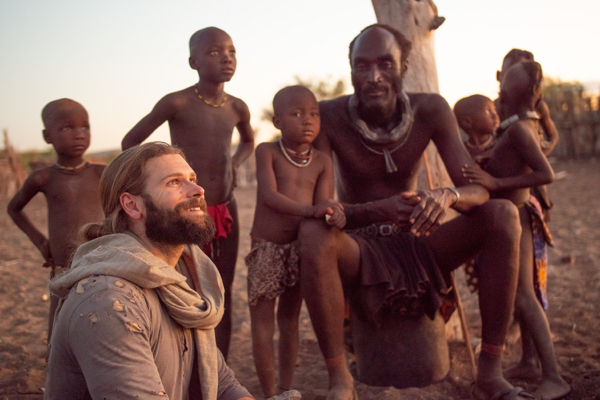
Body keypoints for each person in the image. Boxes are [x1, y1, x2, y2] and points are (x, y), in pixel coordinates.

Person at [300, 24, 532, 400]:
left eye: (384, 64)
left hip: (421, 239)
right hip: (359, 247)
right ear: (351, 70)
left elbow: (478, 189)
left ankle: (490, 372)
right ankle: (339, 378)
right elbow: (326, 209)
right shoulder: (330, 116)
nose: (373, 77)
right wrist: (379, 210)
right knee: (313, 236)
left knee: (503, 215)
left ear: (403, 67)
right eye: (362, 66)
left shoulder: (431, 109)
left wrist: (447, 195)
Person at [44, 142, 253, 400]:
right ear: (132, 206)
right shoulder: (108, 301)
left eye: (192, 179)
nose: (198, 190)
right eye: (174, 183)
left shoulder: (184, 274)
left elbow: (223, 385)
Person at [121, 26, 254, 358]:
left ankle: (217, 363)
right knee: (182, 283)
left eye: (232, 51)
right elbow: (129, 142)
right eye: (214, 52)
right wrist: (160, 177)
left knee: (221, 285)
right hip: (183, 211)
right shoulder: (176, 102)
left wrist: (235, 164)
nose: (226, 58)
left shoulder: (237, 107)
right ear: (193, 61)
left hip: (224, 207)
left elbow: (249, 141)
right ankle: (180, 356)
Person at [462, 62, 570, 400]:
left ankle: (553, 376)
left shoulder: (521, 129)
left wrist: (496, 181)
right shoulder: (517, 126)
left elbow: (545, 174)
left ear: (507, 92)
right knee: (520, 296)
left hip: (519, 218)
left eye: (504, 79)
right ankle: (529, 364)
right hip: (510, 218)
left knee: (524, 296)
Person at [246, 86, 345, 400]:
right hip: (267, 247)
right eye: (297, 113)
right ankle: (268, 393)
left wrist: (333, 213)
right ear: (277, 122)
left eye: (314, 113)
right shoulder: (267, 152)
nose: (308, 120)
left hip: (299, 249)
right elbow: (269, 196)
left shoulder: (322, 161)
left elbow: (324, 203)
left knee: (289, 321)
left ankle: (285, 390)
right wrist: (310, 211)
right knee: (262, 324)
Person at [7, 98, 104, 342]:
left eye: (85, 127)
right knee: (60, 327)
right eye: (67, 128)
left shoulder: (101, 174)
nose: (79, 134)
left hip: (102, 264)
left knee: (102, 324)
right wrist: (41, 242)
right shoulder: (43, 178)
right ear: (47, 136)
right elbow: (14, 209)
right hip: (63, 267)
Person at [495, 48, 559, 222]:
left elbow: (552, 137)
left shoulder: (537, 107)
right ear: (499, 76)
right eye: (511, 71)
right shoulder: (490, 110)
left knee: (533, 225)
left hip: (531, 184)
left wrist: (534, 156)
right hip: (505, 190)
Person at [453, 94, 499, 162]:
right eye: (487, 111)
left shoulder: (501, 145)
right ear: (467, 122)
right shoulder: (461, 152)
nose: (495, 115)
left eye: (494, 110)